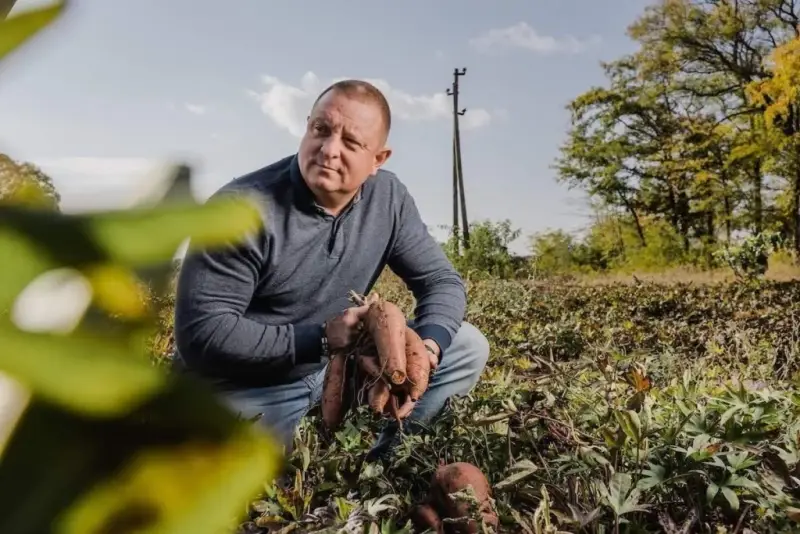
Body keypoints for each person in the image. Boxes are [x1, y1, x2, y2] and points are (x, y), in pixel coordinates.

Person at [171, 79, 490, 462]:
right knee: (230, 481)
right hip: (245, 386)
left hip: (332, 369)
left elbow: (441, 281)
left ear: (378, 160)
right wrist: (322, 339)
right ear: (307, 126)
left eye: (351, 142)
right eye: (321, 130)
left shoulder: (388, 199)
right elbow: (203, 334)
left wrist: (425, 350)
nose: (329, 150)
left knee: (467, 346)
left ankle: (388, 465)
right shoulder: (240, 209)